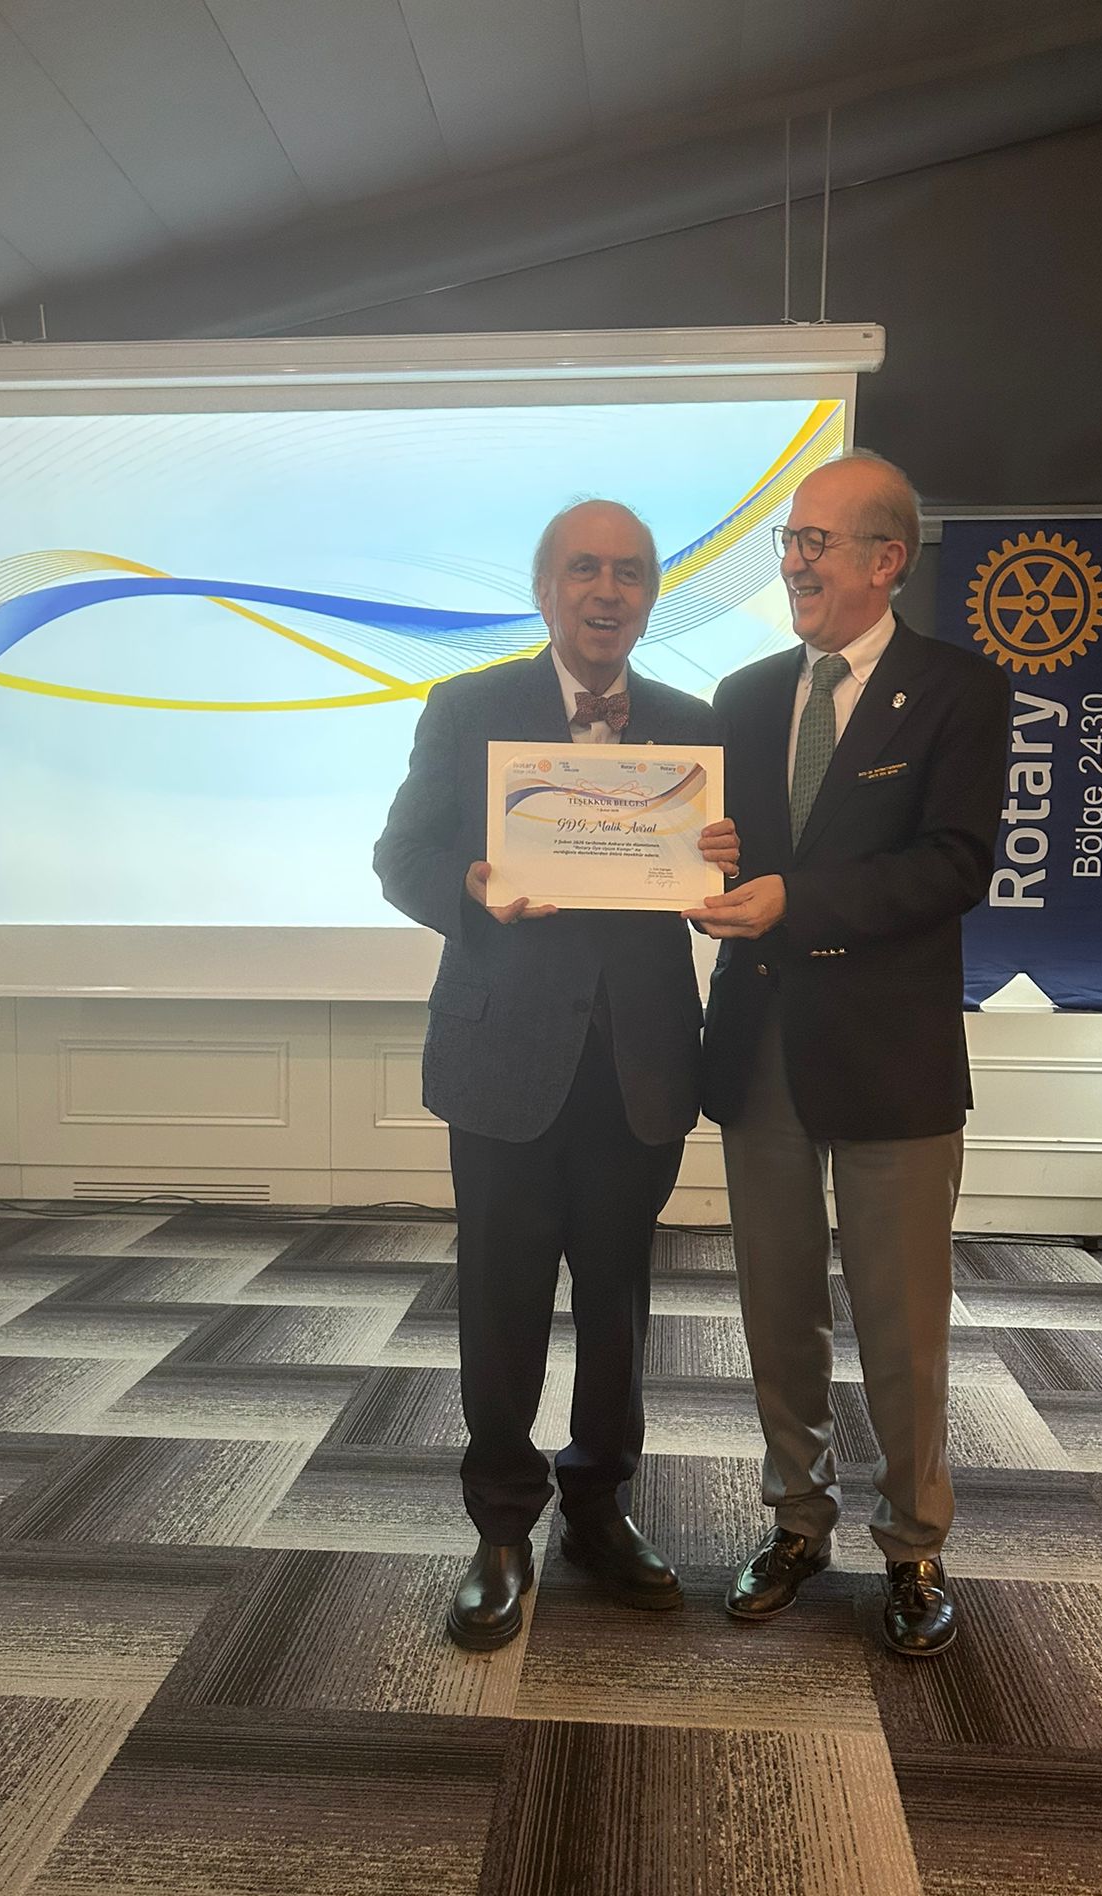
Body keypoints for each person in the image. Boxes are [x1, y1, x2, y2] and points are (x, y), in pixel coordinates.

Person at [374, 498, 737, 1652]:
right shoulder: (469, 708)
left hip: (639, 1061)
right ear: (545, 590)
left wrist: (724, 869)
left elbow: (721, 893)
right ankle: (500, 1525)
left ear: (650, 597)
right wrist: (476, 884)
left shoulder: (692, 727)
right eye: (585, 569)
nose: (607, 591)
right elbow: (401, 856)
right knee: (503, 1297)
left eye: (629, 573)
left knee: (619, 1301)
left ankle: (598, 1505)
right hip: (504, 1057)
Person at [692, 451, 1008, 1657]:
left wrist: (793, 899)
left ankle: (915, 1543)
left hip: (891, 1058)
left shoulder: (961, 688)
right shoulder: (742, 692)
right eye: (789, 538)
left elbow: (954, 864)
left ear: (888, 560)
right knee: (776, 1307)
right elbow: (729, 853)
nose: (794, 560)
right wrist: (698, 875)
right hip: (761, 1048)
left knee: (900, 1321)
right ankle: (796, 1520)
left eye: (816, 540)